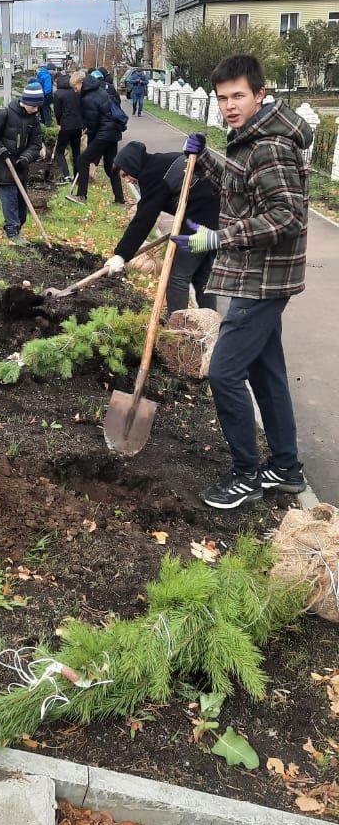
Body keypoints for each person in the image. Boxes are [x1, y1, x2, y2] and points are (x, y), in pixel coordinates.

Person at [171, 53, 311, 510]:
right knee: (265, 372)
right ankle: (286, 468)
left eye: (238, 96)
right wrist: (206, 158)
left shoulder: (270, 145)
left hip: (263, 279)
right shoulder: (249, 139)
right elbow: (241, 184)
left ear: (260, 94)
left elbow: (287, 215)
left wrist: (218, 238)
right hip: (261, 275)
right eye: (222, 98)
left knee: (224, 371)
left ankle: (246, 475)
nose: (229, 106)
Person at [104, 141, 219, 314]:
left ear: (132, 164)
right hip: (215, 216)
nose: (127, 180)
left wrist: (121, 254)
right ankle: (211, 323)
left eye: (125, 174)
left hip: (200, 219)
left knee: (177, 276)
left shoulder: (152, 174)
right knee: (202, 275)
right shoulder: (159, 162)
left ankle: (176, 326)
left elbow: (144, 219)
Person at [0, 81, 44, 244]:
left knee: (22, 204)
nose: (36, 110)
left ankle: (17, 227)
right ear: (26, 101)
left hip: (21, 167)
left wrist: (26, 158)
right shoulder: (5, 114)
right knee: (10, 200)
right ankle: (12, 232)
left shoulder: (33, 120)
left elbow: (36, 145)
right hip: (4, 165)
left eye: (38, 107)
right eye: (34, 106)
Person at [67, 69, 125, 205]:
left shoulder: (88, 97)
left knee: (83, 160)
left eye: (75, 88)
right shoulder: (97, 89)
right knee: (110, 166)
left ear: (81, 83)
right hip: (113, 132)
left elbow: (93, 125)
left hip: (104, 133)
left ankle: (81, 196)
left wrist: (91, 146)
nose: (75, 91)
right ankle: (119, 198)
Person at [54, 67, 83, 183]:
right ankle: (77, 176)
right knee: (76, 152)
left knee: (59, 152)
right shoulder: (76, 91)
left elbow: (57, 111)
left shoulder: (58, 94)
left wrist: (59, 123)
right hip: (77, 126)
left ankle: (66, 176)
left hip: (65, 126)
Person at [37, 62, 55, 126]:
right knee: (47, 112)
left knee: (42, 112)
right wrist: (51, 99)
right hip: (45, 96)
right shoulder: (47, 76)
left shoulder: (40, 74)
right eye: (53, 70)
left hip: (39, 96)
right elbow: (48, 89)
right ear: (50, 70)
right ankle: (48, 126)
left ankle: (42, 125)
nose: (53, 72)